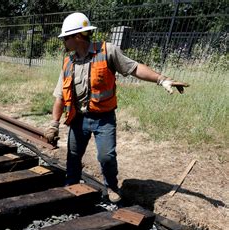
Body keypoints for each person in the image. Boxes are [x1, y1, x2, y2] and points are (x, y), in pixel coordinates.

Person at [44, 12, 189, 203]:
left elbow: (134, 68)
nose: (63, 42)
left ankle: (111, 186)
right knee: (73, 156)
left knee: (106, 157)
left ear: (77, 37)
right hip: (78, 119)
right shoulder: (68, 63)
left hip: (103, 119)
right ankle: (72, 185)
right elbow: (60, 96)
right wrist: (54, 124)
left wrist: (162, 80)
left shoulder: (107, 51)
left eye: (66, 38)